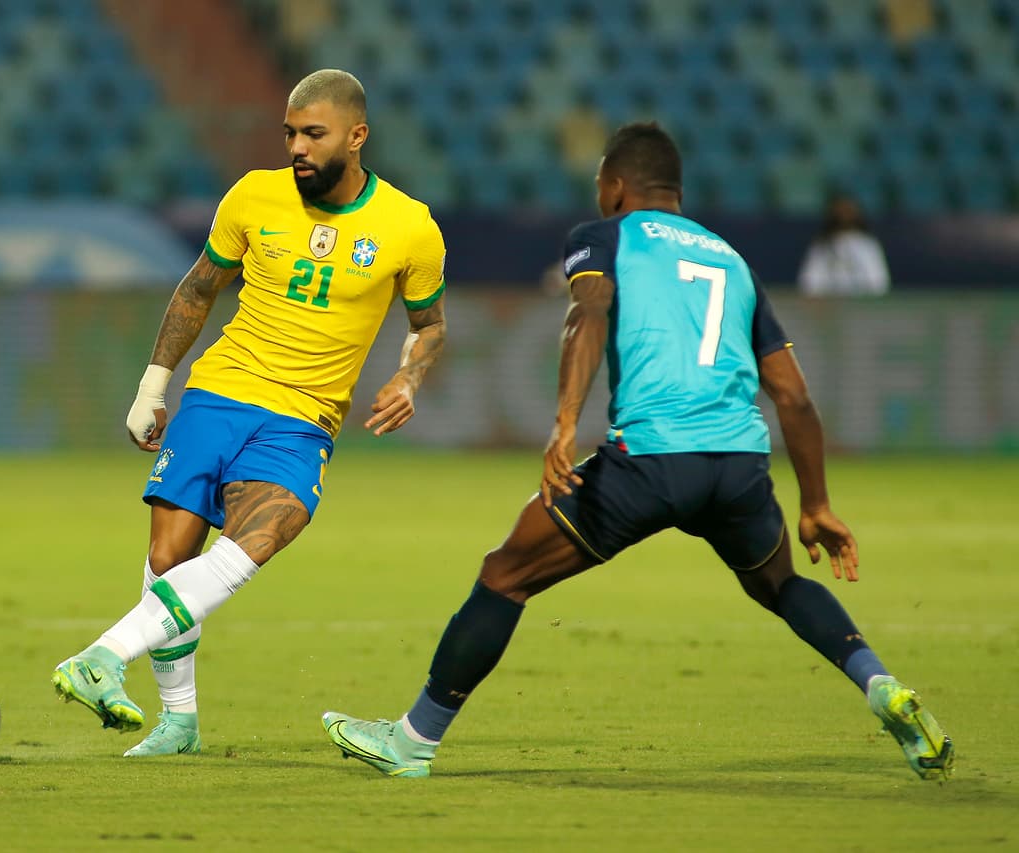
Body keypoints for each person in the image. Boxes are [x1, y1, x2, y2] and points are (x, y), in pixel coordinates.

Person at [322, 122, 952, 781]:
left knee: (507, 572)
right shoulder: (731, 260)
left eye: (600, 182)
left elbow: (586, 315)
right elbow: (793, 396)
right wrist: (817, 502)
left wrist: (564, 422)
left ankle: (412, 740)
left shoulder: (605, 237)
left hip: (650, 459)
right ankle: (879, 682)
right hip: (738, 464)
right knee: (781, 582)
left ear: (616, 186)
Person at [51, 68, 448, 756]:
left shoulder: (409, 226)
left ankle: (104, 654)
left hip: (302, 420)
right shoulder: (254, 195)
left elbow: (430, 324)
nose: (297, 146)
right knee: (169, 557)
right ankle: (179, 722)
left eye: (313, 134)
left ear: (356, 137)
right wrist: (153, 386)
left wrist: (410, 376)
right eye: (290, 132)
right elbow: (199, 287)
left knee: (259, 539)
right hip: (220, 392)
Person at [797, 193, 891, 296]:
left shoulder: (868, 245)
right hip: (828, 306)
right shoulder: (821, 245)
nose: (844, 215)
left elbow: (879, 283)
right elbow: (809, 282)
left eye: (848, 210)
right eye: (840, 211)